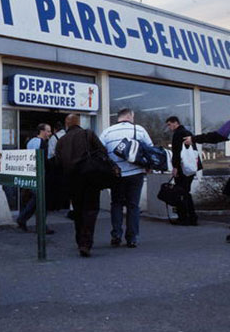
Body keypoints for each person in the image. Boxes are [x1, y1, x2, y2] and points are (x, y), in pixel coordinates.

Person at [55, 114, 107, 257]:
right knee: (90, 210)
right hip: (90, 178)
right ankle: (86, 243)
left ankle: (79, 240)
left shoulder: (61, 141)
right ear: (79, 123)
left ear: (67, 124)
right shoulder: (88, 134)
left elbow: (58, 163)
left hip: (72, 180)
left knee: (78, 211)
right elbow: (103, 152)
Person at [100, 108, 153, 248]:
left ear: (119, 117)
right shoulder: (139, 130)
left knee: (116, 204)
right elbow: (150, 149)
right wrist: (148, 166)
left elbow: (100, 152)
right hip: (136, 173)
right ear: (130, 116)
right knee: (133, 205)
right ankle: (132, 238)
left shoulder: (107, 132)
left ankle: (116, 235)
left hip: (116, 175)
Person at [16, 123, 54, 234]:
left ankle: (22, 219)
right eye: (48, 131)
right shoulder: (42, 143)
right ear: (42, 131)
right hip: (40, 175)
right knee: (42, 200)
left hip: (30, 173)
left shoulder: (30, 142)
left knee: (35, 200)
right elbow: (43, 161)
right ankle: (40, 226)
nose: (50, 134)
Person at [165, 116, 201, 225]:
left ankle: (185, 217)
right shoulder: (187, 132)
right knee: (186, 192)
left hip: (182, 168)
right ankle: (191, 217)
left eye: (169, 125)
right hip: (190, 167)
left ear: (175, 123)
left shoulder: (178, 134)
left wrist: (175, 167)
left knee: (181, 192)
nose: (169, 127)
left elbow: (177, 152)